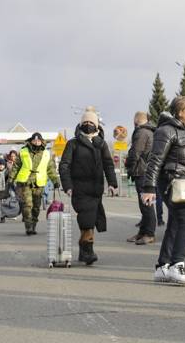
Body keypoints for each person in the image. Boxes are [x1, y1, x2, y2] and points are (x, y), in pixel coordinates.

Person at [142, 97, 185, 286]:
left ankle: (163, 266)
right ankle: (177, 265)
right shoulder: (166, 131)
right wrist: (149, 188)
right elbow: (155, 160)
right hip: (172, 182)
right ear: (180, 112)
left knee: (176, 223)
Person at [60, 111, 118, 265]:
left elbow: (108, 164)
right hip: (79, 189)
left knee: (91, 220)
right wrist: (67, 186)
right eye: (85, 122)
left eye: (91, 123)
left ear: (96, 125)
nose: (88, 125)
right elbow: (64, 166)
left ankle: (84, 250)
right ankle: (87, 251)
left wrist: (112, 183)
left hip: (96, 189)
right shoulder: (73, 143)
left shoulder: (101, 144)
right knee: (87, 220)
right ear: (80, 124)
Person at [10, 133, 60, 235]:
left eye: (38, 141)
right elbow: (16, 166)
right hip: (25, 182)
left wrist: (55, 181)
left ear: (41, 141)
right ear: (31, 141)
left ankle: (33, 225)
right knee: (27, 205)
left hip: (39, 183)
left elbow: (51, 169)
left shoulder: (46, 153)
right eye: (34, 140)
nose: (36, 142)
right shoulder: (23, 151)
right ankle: (28, 227)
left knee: (36, 207)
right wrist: (11, 178)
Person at [125, 111, 157, 245]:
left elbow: (135, 153)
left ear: (136, 121)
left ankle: (149, 233)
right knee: (144, 204)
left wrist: (130, 167)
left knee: (146, 205)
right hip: (145, 171)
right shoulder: (149, 131)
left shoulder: (141, 133)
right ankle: (143, 232)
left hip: (142, 172)